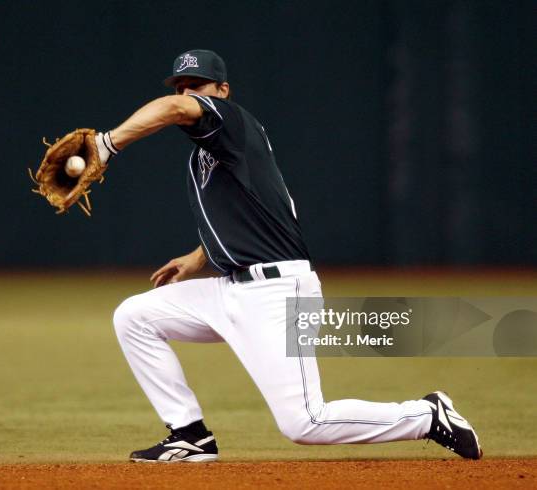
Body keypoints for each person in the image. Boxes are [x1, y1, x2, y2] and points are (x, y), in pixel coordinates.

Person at [97, 49, 482, 462]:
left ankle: (427, 415)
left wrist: (107, 143)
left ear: (222, 90)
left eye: (197, 85)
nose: (187, 92)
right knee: (134, 316)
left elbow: (173, 109)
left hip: (276, 293)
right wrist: (198, 257)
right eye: (182, 85)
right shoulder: (204, 155)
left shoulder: (231, 121)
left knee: (304, 423)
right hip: (229, 288)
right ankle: (190, 435)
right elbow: (256, 215)